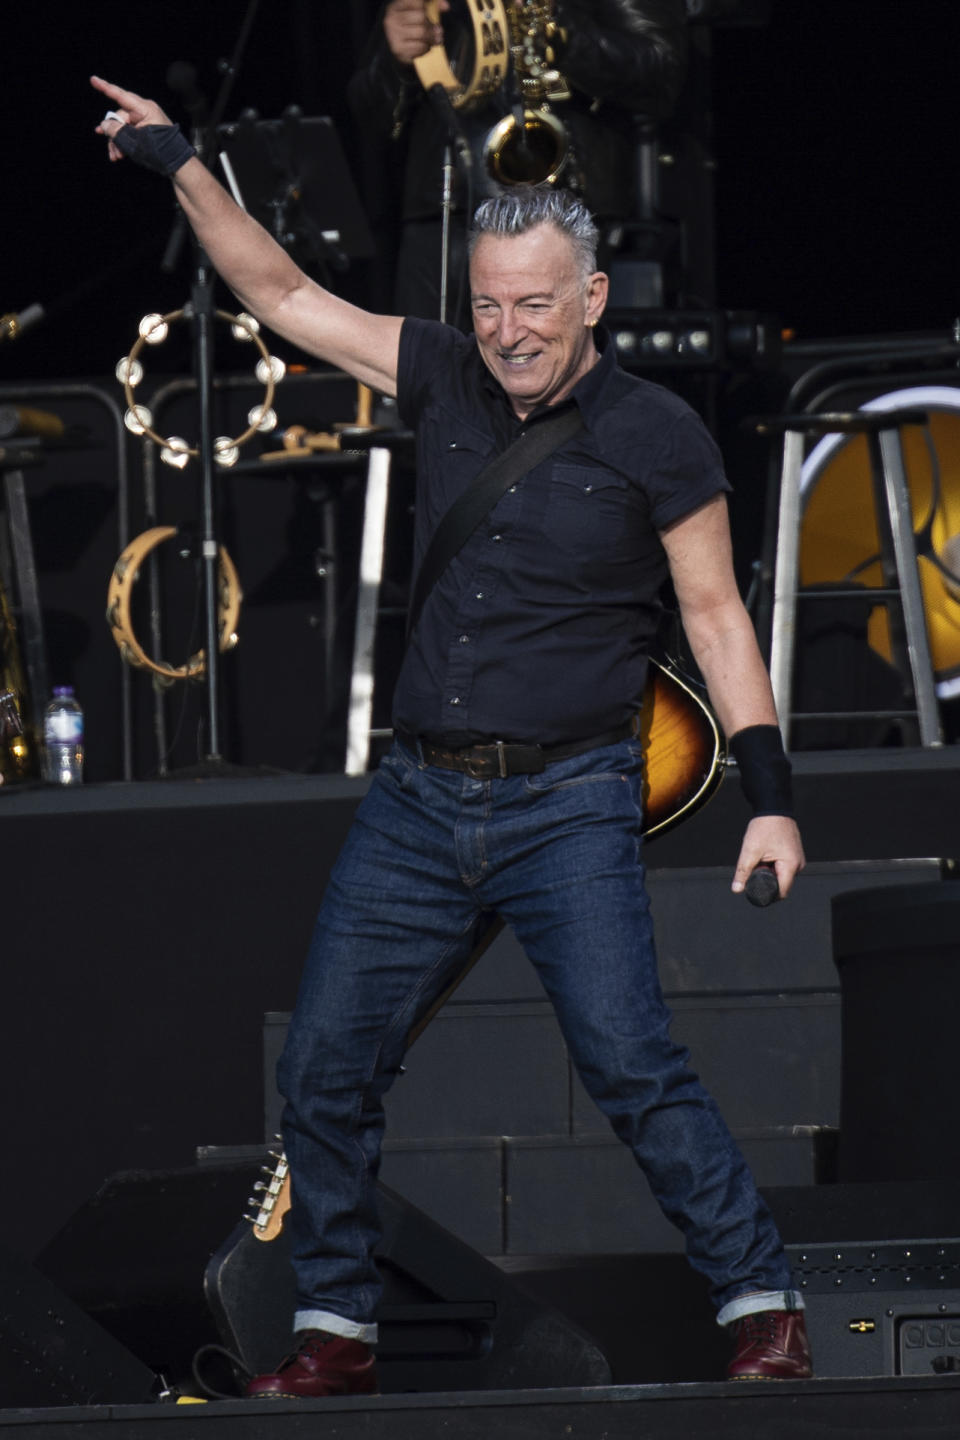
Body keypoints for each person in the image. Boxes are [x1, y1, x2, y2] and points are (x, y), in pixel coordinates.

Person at [91, 73, 812, 1397]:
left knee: (631, 1063)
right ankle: (339, 1330)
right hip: (420, 801)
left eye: (536, 305)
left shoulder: (660, 437)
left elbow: (715, 619)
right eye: (489, 304)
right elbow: (288, 296)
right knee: (324, 1065)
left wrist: (769, 796)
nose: (510, 331)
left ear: (591, 299)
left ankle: (763, 1303)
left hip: (571, 801)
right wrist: (181, 164)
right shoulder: (444, 370)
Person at [347, 0, 688, 325]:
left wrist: (556, 28)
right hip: (442, 218)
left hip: (566, 208)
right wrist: (396, 63)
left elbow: (660, 71)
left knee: (555, 375)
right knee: (429, 374)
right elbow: (370, 116)